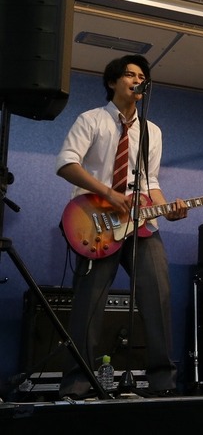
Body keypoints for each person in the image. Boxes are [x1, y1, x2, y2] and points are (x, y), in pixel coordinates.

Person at [56, 54, 188, 399]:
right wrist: (109, 194)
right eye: (130, 74)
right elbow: (66, 164)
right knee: (88, 304)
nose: (137, 80)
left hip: (142, 226)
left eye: (142, 76)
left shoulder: (152, 131)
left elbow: (150, 181)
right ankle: (77, 384)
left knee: (158, 296)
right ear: (113, 81)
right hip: (96, 224)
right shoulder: (91, 120)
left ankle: (163, 382)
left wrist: (167, 208)